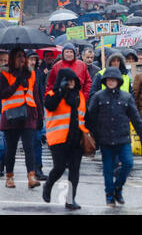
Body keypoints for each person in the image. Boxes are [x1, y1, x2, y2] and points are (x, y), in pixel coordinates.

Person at [87, 67, 142, 207]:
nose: (111, 82)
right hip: (105, 140)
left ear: (118, 81)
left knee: (128, 163)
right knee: (108, 169)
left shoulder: (126, 97)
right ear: (105, 81)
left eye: (114, 79)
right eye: (108, 79)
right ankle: (109, 195)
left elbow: (136, 119)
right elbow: (90, 118)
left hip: (123, 139)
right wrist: (93, 135)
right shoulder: (98, 97)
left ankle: (118, 189)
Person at [42, 69, 89, 210]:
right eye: (68, 80)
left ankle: (70, 200)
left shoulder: (80, 96)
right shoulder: (52, 95)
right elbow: (50, 105)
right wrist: (61, 90)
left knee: (74, 170)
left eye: (73, 80)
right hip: (59, 139)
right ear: (61, 81)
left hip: (76, 140)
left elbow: (85, 117)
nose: (71, 83)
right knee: (59, 168)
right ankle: (48, 184)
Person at [0, 48, 43, 189]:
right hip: (11, 116)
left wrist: (40, 115)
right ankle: (9, 177)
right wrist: (17, 82)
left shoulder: (31, 74)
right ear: (12, 58)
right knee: (11, 149)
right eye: (18, 56)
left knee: (29, 147)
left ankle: (31, 176)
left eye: (23, 56)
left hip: (28, 115)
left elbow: (35, 95)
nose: (22, 59)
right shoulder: (5, 73)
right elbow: (3, 94)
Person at [27, 51, 48, 181]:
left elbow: (40, 95)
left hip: (36, 112)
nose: (33, 62)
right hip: (24, 113)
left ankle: (37, 169)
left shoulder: (38, 73)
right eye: (31, 59)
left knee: (37, 140)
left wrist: (41, 115)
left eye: (35, 59)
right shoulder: (22, 74)